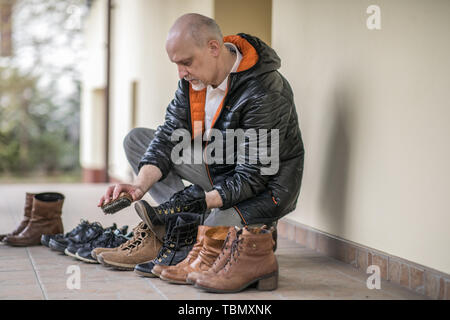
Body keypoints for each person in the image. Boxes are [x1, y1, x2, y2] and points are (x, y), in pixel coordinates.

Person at [98, 13, 304, 229]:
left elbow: (253, 176)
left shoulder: (265, 91)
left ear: (214, 48)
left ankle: (239, 227)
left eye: (186, 62)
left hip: (260, 190)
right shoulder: (193, 79)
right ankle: (185, 222)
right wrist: (138, 187)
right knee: (136, 140)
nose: (180, 73)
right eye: (176, 64)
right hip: (218, 166)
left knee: (210, 236)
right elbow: (169, 134)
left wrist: (198, 202)